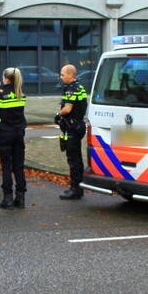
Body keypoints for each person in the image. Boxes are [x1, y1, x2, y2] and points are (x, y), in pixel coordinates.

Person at [0, 67, 27, 209]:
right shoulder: (21, 94)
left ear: (6, 78)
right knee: (19, 166)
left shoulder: (1, 94)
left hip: (4, 134)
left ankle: (8, 199)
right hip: (18, 134)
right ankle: (20, 198)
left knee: (7, 166)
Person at [56, 64, 88, 200]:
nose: (61, 77)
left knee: (73, 159)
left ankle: (75, 189)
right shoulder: (80, 86)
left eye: (63, 74)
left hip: (72, 128)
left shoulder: (71, 89)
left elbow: (68, 109)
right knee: (77, 158)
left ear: (70, 75)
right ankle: (78, 187)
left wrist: (58, 114)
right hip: (79, 125)